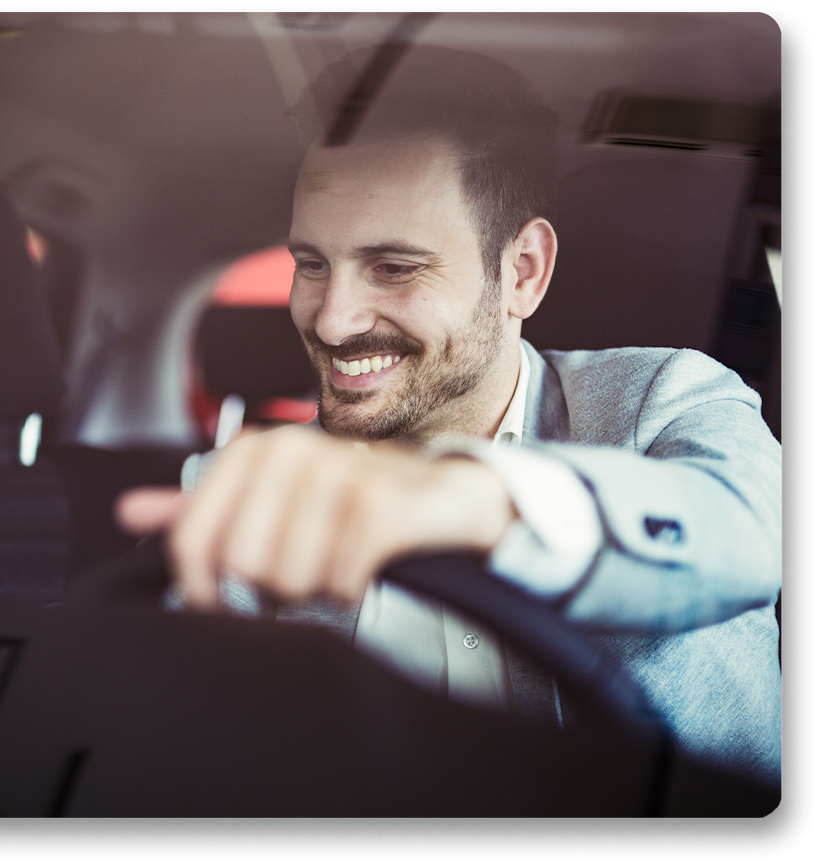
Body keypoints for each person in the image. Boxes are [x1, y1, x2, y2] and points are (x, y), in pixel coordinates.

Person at [116, 48, 781, 786]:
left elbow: (753, 531)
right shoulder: (243, 492)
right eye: (311, 264)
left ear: (521, 271)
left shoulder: (659, 402)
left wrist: (467, 498)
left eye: (395, 268)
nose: (332, 323)